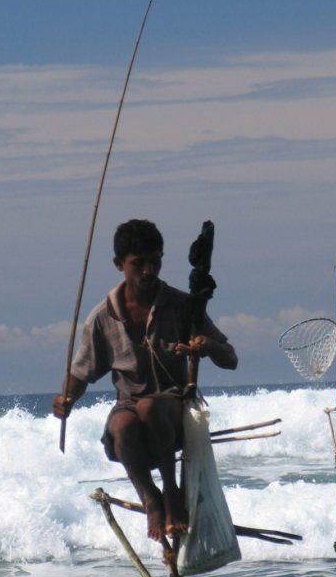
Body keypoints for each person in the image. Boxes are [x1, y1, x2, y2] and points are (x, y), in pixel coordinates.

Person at [52, 218, 238, 549]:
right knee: (122, 423)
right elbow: (81, 372)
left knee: (150, 405)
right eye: (138, 264)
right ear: (119, 264)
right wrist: (66, 399)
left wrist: (206, 346)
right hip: (131, 414)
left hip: (174, 410)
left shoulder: (183, 306)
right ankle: (151, 497)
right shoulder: (102, 317)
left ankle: (171, 490)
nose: (148, 271)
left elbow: (230, 358)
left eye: (155, 261)